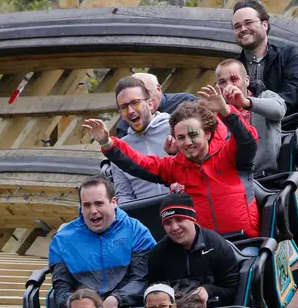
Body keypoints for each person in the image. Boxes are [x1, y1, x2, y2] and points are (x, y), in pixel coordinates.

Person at [83, 85, 260, 237]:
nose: (188, 143)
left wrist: (227, 111)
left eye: (193, 135)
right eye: (181, 137)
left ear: (206, 133)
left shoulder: (229, 155)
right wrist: (108, 143)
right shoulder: (175, 167)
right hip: (204, 249)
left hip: (244, 241)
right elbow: (139, 164)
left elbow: (248, 140)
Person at [48, 176, 156, 308]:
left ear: (114, 202)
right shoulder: (62, 240)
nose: (93, 211)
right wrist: (80, 305)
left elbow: (142, 279)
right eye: (86, 205)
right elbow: (61, 290)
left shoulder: (137, 231)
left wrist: (116, 299)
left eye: (99, 203)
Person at [147, 192, 241, 308]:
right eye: (168, 223)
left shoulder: (217, 245)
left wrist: (208, 291)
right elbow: (154, 292)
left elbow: (233, 291)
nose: (174, 227)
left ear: (192, 218)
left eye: (180, 219)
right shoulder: (158, 254)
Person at [232, 0, 298, 115]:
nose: (243, 29)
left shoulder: (288, 56)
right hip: (244, 130)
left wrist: (257, 107)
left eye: (248, 23)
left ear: (264, 25)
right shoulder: (233, 67)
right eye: (237, 26)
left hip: (286, 127)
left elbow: (293, 93)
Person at [215, 58, 286, 174]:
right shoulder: (217, 115)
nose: (228, 86)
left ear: (246, 80)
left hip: (265, 175)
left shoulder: (264, 96)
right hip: (234, 177)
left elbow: (279, 111)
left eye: (234, 79)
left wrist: (246, 102)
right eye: (222, 82)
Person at [105, 76, 170, 200]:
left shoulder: (175, 130)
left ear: (150, 104)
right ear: (121, 115)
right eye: (124, 107)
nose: (130, 111)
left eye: (135, 103)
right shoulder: (118, 150)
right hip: (144, 217)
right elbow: (124, 197)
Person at [114, 72, 196, 139]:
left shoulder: (185, 102)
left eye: (147, 92)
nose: (146, 98)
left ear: (159, 88)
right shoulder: (127, 122)